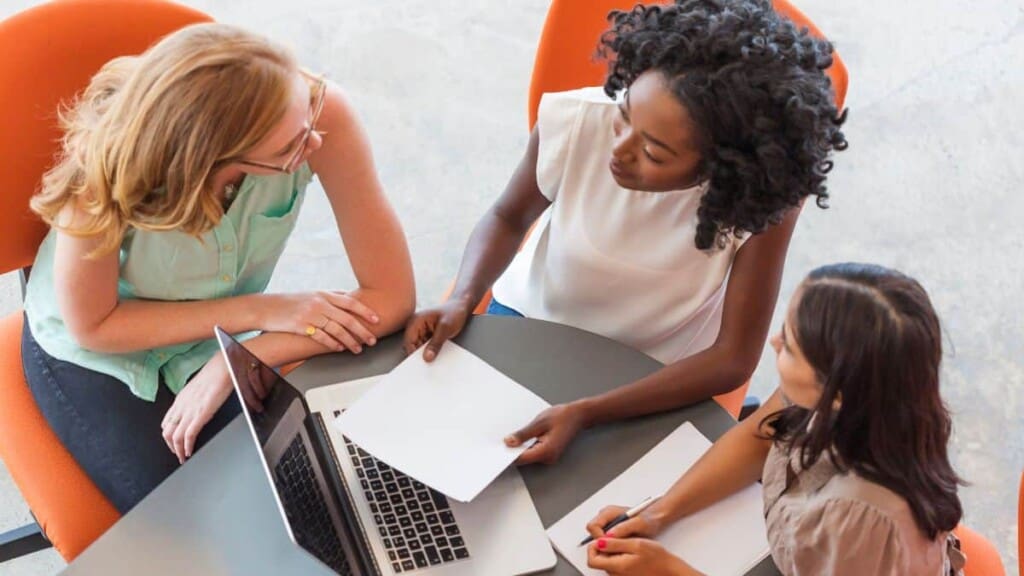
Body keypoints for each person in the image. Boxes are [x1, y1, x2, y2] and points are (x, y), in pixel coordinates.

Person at [404, 0, 847, 464]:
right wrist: (462, 296)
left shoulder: (759, 202)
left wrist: (588, 412)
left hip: (660, 373)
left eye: (654, 153)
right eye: (624, 115)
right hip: (529, 320)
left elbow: (733, 356)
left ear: (724, 169)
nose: (618, 149)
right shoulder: (576, 121)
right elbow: (507, 217)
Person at [21, 23, 414, 513]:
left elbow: (391, 296)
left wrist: (238, 361)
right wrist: (259, 311)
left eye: (305, 117)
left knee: (301, 502)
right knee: (192, 529)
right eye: (286, 151)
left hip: (213, 342)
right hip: (95, 348)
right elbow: (94, 325)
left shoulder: (316, 112)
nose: (313, 143)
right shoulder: (105, 168)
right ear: (210, 159)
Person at [584, 263, 966, 576]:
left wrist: (668, 572)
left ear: (838, 392)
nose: (774, 342)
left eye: (792, 346)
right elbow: (761, 436)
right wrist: (659, 511)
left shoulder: (860, 515)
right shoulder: (866, 398)